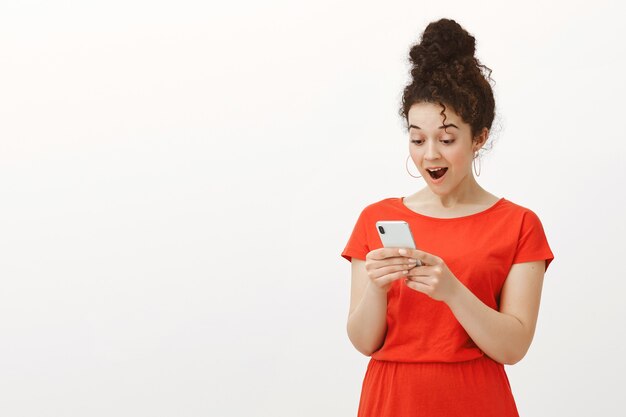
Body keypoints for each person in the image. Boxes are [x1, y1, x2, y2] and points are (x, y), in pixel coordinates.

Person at [340, 18, 555, 417]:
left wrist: (452, 291)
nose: (430, 155)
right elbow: (363, 341)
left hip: (476, 400)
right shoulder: (375, 218)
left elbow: (514, 347)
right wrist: (378, 288)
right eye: (417, 138)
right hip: (391, 401)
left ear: (479, 138)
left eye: (447, 138)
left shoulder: (520, 225)